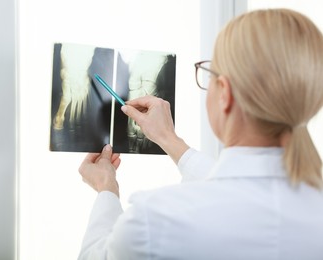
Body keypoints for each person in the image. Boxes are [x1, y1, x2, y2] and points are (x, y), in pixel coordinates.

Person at [77, 8, 323, 259]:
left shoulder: (154, 221)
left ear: (224, 92)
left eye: (209, 73)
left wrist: (106, 188)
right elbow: (236, 196)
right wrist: (169, 139)